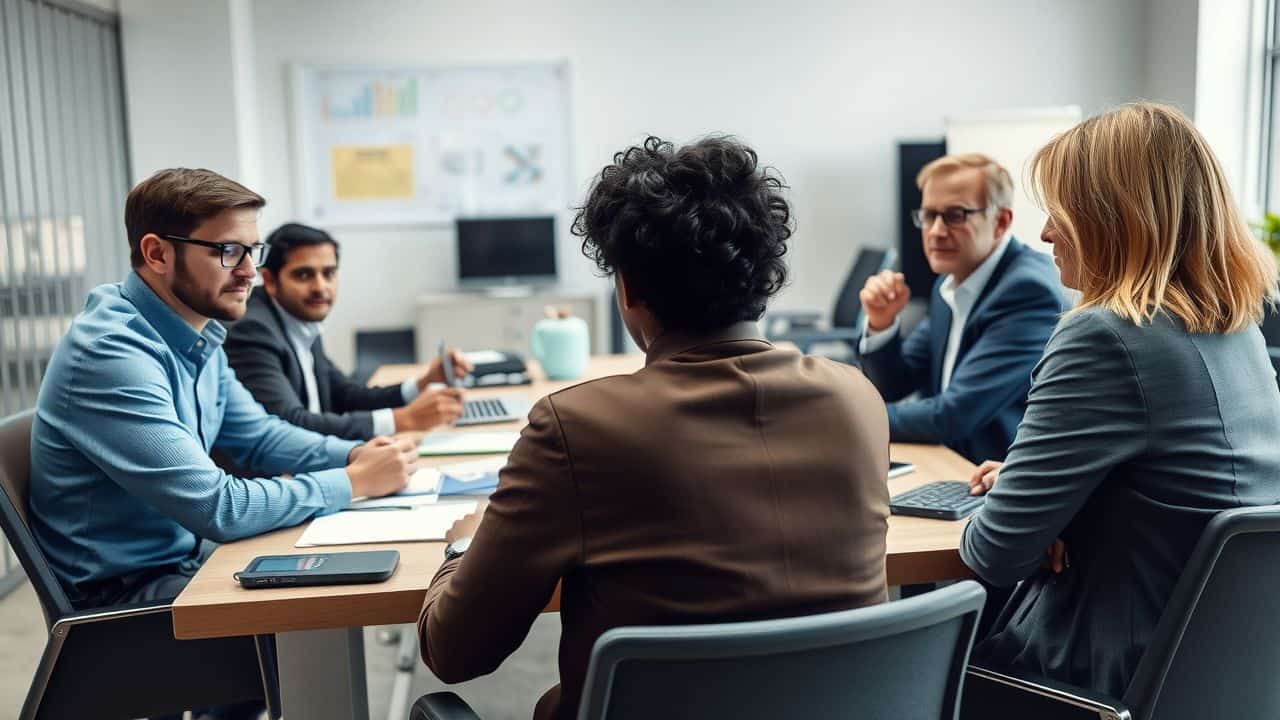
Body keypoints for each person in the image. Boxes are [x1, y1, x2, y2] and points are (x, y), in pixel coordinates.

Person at [415, 136, 891, 720]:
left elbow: (455, 650)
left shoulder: (575, 427)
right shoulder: (858, 400)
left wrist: (465, 544)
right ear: (762, 278)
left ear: (630, 288)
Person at [961, 103, 1280, 700]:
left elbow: (994, 554)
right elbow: (1181, 491)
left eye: (1061, 212)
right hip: (1225, 685)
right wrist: (1054, 498)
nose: (1046, 233)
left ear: (1115, 218)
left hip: (1089, 685)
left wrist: (1022, 510)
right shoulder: (1239, 329)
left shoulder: (1104, 334)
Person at [28, 168, 419, 612]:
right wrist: (353, 481)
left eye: (253, 251)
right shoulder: (111, 354)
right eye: (229, 252)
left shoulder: (196, 331)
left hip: (188, 562)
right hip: (127, 601)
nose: (250, 272)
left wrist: (352, 455)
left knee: (362, 564)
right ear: (157, 253)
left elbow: (259, 436)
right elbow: (219, 507)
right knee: (330, 590)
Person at [856, 153, 1067, 463]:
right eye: (929, 215)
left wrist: (847, 415)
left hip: (992, 480)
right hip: (949, 463)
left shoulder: (1027, 291)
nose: (936, 231)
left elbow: (954, 415)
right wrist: (881, 323)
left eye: (955, 215)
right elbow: (894, 383)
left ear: (1001, 221)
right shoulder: (950, 281)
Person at [224, 222, 469, 441]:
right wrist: (402, 420)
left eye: (329, 273)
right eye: (304, 275)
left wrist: (423, 383)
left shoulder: (301, 319)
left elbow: (345, 395)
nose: (320, 287)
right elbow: (289, 424)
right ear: (270, 281)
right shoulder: (253, 330)